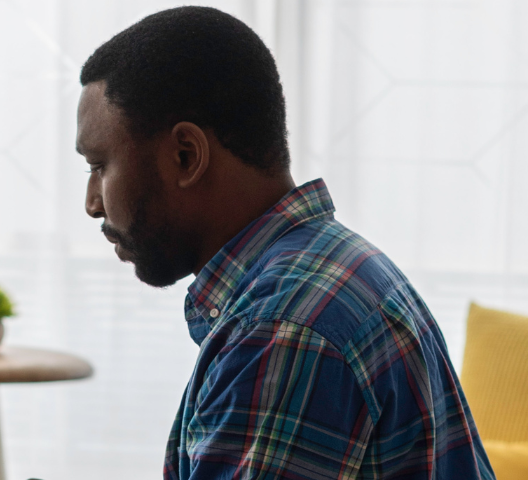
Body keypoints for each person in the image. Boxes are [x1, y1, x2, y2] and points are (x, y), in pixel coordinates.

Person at [76, 6, 496, 479]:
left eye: (99, 166)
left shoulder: (284, 328)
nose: (93, 203)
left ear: (186, 155)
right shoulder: (335, 268)